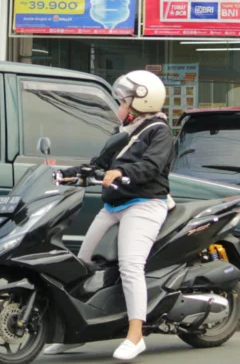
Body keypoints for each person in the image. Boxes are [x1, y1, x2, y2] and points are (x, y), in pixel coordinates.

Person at [44, 70, 174, 361]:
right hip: (113, 206)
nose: (120, 104)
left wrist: (122, 172)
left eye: (124, 99)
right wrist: (68, 174)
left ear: (141, 101)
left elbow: (151, 167)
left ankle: (136, 335)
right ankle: (72, 333)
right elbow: (98, 165)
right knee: (81, 263)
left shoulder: (160, 132)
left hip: (144, 204)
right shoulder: (123, 134)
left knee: (130, 266)